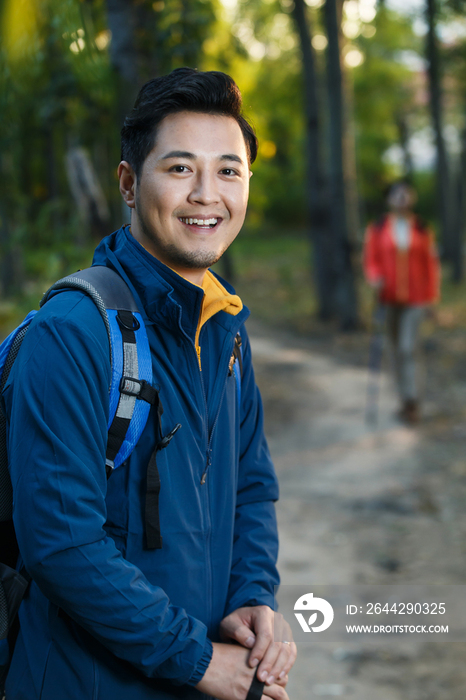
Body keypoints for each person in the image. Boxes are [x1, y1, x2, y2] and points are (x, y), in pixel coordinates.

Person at [2, 68, 296, 700]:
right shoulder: (74, 331)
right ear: (130, 184)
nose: (207, 194)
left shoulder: (226, 329)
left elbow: (251, 485)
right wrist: (198, 660)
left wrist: (252, 596)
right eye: (181, 168)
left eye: (228, 171)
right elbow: (61, 542)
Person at [363, 181, 440, 424]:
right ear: (390, 199)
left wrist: (432, 299)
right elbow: (371, 260)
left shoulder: (421, 228)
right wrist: (375, 278)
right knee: (396, 350)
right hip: (388, 299)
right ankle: (404, 399)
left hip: (417, 299)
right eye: (397, 194)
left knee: (408, 348)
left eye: (407, 194)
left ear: (412, 198)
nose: (402, 198)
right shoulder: (377, 228)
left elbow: (431, 265)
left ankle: (412, 401)